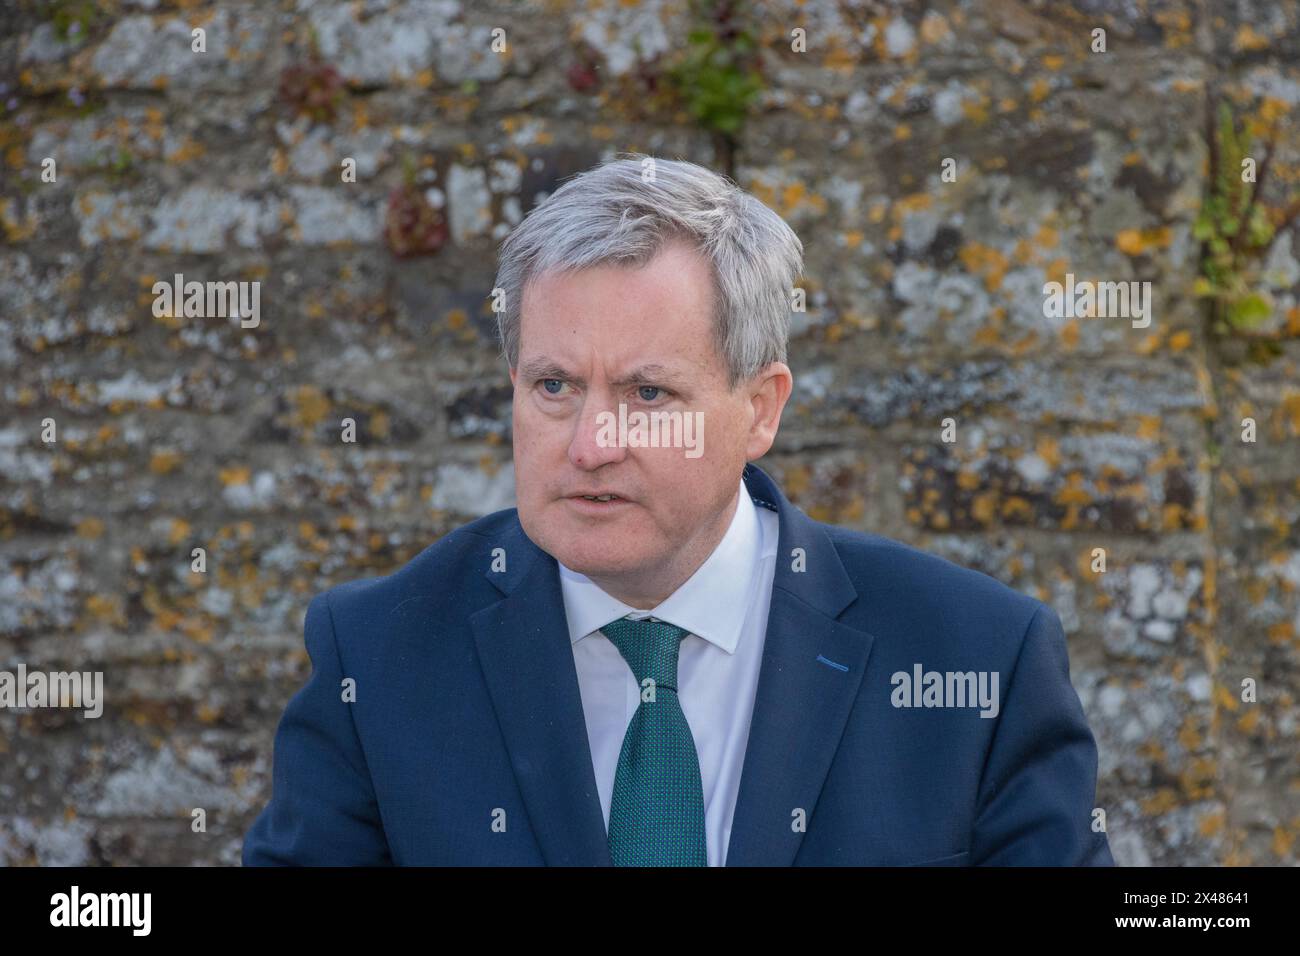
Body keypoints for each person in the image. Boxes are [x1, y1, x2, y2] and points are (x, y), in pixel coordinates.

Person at [242, 154, 1113, 866]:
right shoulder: (380, 661)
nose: (590, 444)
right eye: (554, 386)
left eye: (648, 392)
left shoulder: (977, 661)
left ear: (761, 409)